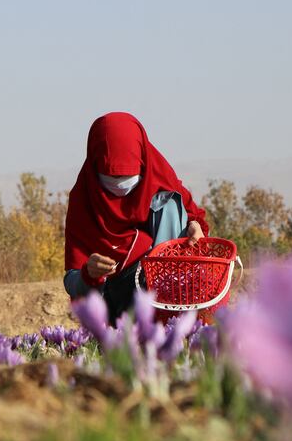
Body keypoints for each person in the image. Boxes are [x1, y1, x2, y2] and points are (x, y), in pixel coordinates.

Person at [63, 112, 209, 322]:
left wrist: (194, 226)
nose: (120, 185)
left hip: (167, 294)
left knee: (169, 204)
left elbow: (196, 222)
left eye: (128, 176)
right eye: (111, 177)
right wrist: (88, 273)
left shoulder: (163, 186)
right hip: (114, 305)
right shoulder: (83, 202)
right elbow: (72, 282)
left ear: (143, 164)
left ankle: (171, 316)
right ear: (95, 169)